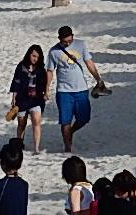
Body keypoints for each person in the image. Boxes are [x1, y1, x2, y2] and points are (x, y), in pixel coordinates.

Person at [46, 25, 108, 153]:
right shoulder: (54, 52)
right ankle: (67, 147)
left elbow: (89, 63)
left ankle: (71, 132)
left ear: (73, 36)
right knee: (65, 121)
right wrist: (47, 88)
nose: (68, 43)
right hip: (64, 91)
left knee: (84, 118)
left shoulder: (81, 45)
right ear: (59, 39)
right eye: (65, 42)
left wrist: (98, 79)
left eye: (70, 40)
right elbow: (50, 71)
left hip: (81, 89)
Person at [8, 44, 48, 153]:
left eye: (37, 57)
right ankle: (19, 145)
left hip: (36, 99)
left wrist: (46, 93)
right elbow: (15, 83)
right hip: (22, 98)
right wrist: (13, 99)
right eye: (33, 56)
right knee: (22, 123)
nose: (35, 59)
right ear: (29, 54)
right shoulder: (21, 67)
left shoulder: (40, 69)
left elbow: (45, 83)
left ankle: (36, 148)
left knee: (36, 121)